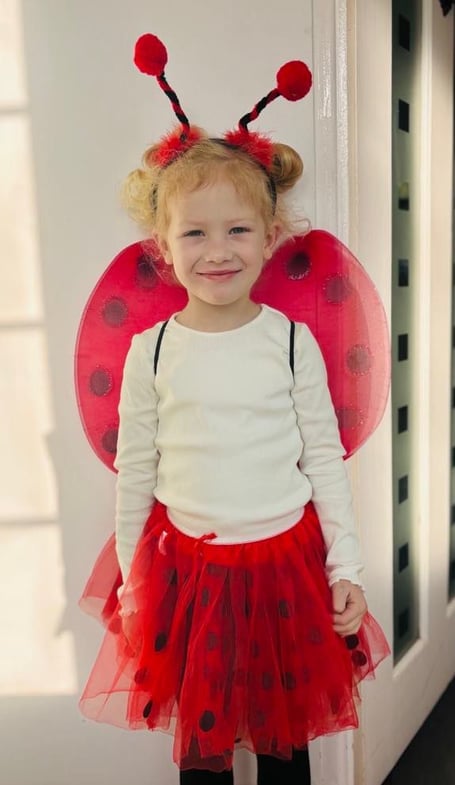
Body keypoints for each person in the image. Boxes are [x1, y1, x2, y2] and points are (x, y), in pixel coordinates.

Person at [78, 34, 389, 785]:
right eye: (194, 233)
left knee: (286, 743)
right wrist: (133, 577)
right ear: (162, 244)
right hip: (189, 576)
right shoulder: (151, 350)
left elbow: (322, 457)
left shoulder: (290, 342)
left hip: (286, 569)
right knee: (203, 750)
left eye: (238, 230)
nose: (217, 251)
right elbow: (138, 473)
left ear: (270, 236)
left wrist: (344, 564)